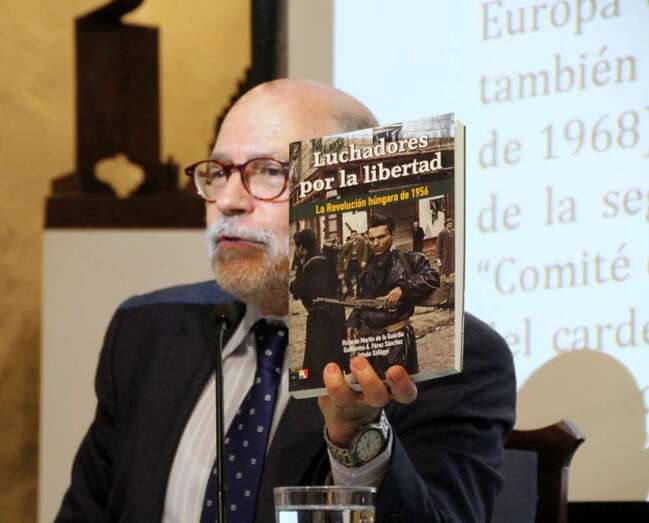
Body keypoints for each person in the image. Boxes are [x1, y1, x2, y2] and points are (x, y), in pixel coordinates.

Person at [56, 79, 515, 523]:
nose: (228, 201)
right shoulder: (145, 331)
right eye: (218, 173)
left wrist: (358, 437)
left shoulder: (463, 363)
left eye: (269, 172)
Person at [347, 214, 437, 377]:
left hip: (396, 341)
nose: (376, 243)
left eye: (381, 237)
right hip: (369, 342)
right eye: (372, 239)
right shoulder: (367, 268)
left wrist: (403, 288)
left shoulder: (410, 260)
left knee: (398, 383)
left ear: (392, 236)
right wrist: (353, 321)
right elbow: (363, 300)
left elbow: (431, 277)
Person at [289, 229, 347, 391]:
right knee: (316, 352)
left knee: (318, 353)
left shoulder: (316, 263)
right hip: (323, 315)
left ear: (302, 247)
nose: (296, 250)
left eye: (296, 246)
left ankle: (313, 382)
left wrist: (295, 286)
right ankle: (305, 377)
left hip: (325, 315)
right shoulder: (315, 259)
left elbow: (313, 289)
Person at [338, 229, 369, 298]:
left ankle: (358, 295)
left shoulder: (361, 242)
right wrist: (349, 244)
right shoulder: (348, 243)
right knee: (346, 278)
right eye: (352, 235)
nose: (353, 237)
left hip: (358, 262)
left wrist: (364, 260)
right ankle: (350, 293)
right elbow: (343, 252)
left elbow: (365, 251)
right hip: (350, 262)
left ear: (357, 235)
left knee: (359, 278)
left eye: (355, 235)